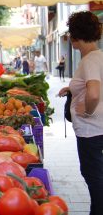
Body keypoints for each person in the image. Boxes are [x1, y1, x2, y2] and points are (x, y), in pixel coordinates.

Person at [58, 11, 103, 215]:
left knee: (94, 179)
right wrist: (72, 90)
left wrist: (87, 108)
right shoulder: (99, 56)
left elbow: (93, 93)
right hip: (99, 129)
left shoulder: (89, 61)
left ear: (76, 36)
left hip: (90, 132)